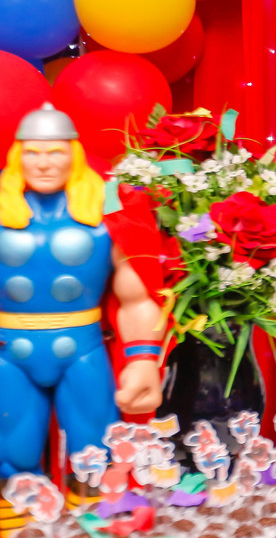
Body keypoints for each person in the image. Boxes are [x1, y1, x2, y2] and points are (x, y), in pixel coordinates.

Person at [0, 104, 165, 476]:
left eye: (55, 152)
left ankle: (91, 514)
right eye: (33, 153)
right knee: (11, 459)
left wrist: (142, 359)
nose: (44, 164)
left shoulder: (109, 209)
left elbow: (136, 296)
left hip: (82, 348)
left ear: (73, 154)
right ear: (17, 155)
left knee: (97, 457)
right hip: (9, 351)